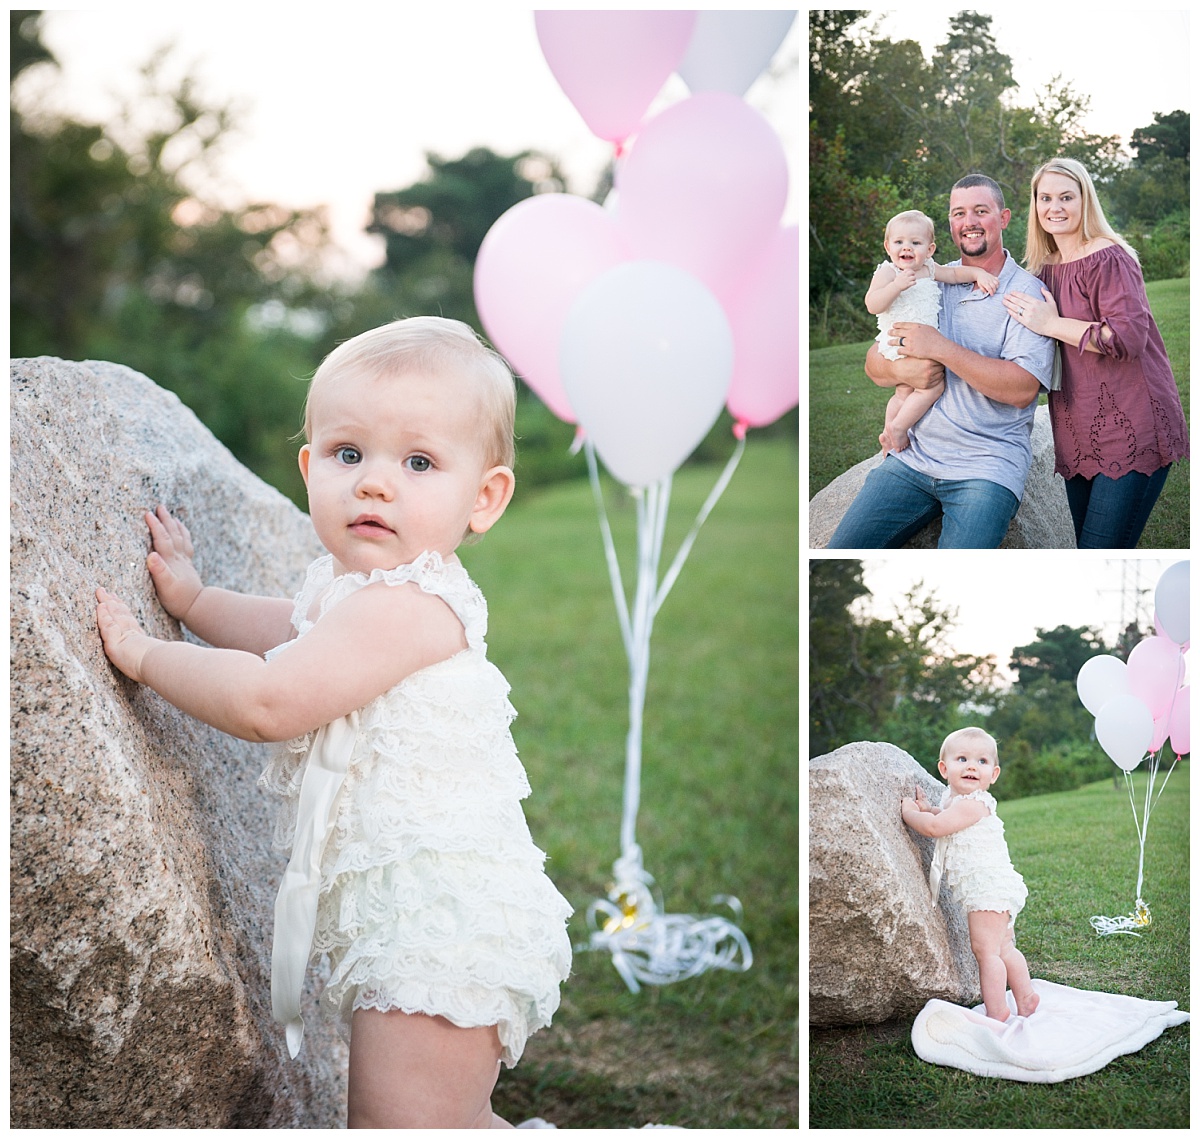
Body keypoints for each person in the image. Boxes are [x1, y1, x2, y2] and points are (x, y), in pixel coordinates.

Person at [95, 316, 573, 1129]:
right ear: (311, 467)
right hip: (413, 921)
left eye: (419, 462)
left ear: (483, 497)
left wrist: (143, 653)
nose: (376, 482)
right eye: (350, 455)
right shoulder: (358, 597)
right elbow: (293, 630)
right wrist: (196, 602)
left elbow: (268, 699)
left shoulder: (414, 606)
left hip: (440, 931)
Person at [827, 174, 1057, 549]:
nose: (969, 222)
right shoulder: (926, 279)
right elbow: (874, 363)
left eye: (981, 211)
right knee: (840, 550)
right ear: (949, 224)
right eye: (958, 213)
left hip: (985, 468)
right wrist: (903, 368)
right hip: (913, 460)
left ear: (1004, 218)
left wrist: (939, 348)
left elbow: (1021, 390)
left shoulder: (1024, 293)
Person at [1001, 157, 1189, 548]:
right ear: (1034, 206)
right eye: (1046, 198)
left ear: (1085, 200)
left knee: (1098, 550)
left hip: (1131, 424)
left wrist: (1051, 324)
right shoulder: (1042, 269)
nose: (1055, 207)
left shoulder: (1108, 256)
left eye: (1066, 197)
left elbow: (1127, 337)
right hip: (1076, 433)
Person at [901, 727, 1036, 1024]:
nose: (972, 766)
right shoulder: (957, 802)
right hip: (995, 887)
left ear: (994, 774)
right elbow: (944, 818)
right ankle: (1026, 996)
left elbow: (935, 829)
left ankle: (998, 1012)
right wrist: (930, 808)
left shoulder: (975, 804)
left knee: (986, 952)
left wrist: (911, 813)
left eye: (982, 762)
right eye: (962, 758)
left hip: (986, 890)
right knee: (1003, 947)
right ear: (944, 768)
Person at [865, 209, 999, 453]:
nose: (907, 247)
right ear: (887, 246)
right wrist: (896, 286)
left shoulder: (929, 268)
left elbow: (957, 274)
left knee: (904, 391)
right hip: (899, 339)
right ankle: (898, 428)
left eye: (915, 242)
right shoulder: (888, 272)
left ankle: (888, 435)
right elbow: (872, 304)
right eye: (899, 242)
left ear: (929, 249)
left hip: (921, 342)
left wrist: (978, 273)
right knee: (932, 387)